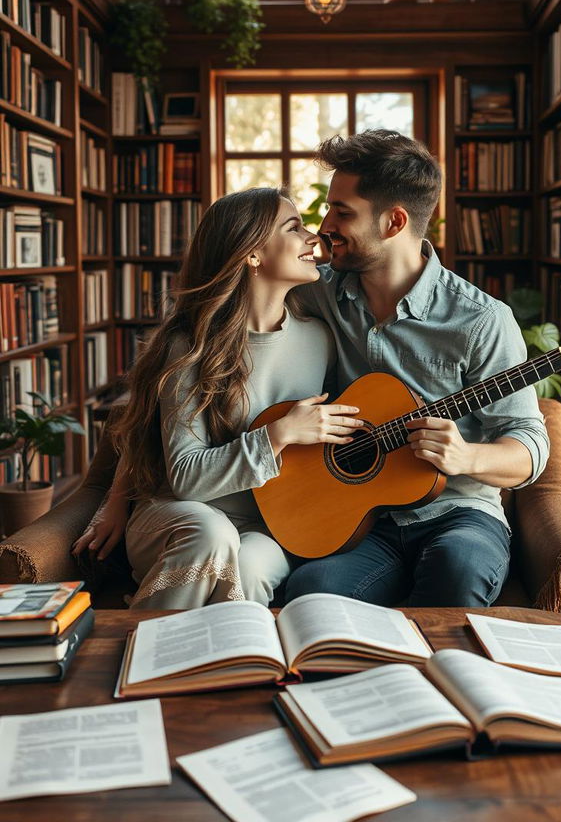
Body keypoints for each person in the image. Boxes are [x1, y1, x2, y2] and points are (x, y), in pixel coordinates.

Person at [285, 129, 550, 608]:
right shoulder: (318, 291)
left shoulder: (481, 319)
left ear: (394, 222)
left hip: (460, 513)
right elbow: (234, 302)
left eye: (342, 212)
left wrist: (466, 457)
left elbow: (529, 445)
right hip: (361, 518)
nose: (324, 225)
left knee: (459, 568)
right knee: (312, 591)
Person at [72, 188, 362, 609]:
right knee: (212, 534)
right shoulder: (190, 347)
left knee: (250, 566)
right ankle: (151, 656)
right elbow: (185, 478)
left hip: (268, 526)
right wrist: (278, 435)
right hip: (180, 515)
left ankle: (227, 666)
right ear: (252, 255)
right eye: (293, 227)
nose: (312, 237)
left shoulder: (321, 340)